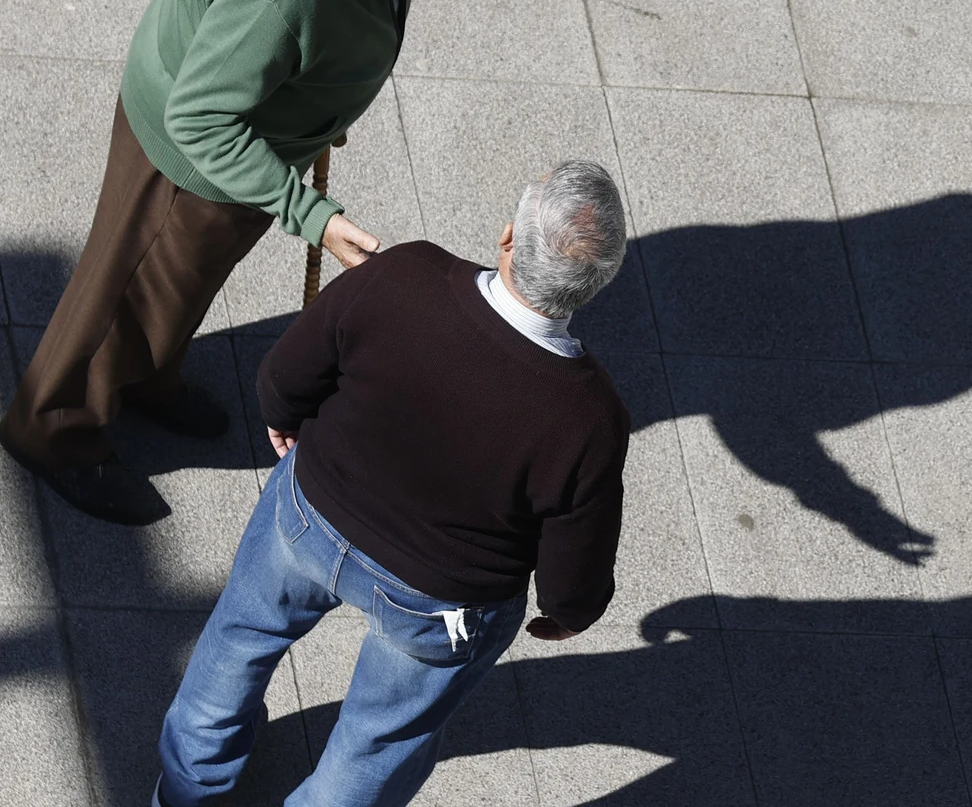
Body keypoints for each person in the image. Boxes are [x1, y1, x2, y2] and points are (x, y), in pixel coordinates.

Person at [0, 0, 510, 525]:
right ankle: (51, 426)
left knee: (176, 288)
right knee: (124, 286)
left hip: (254, 117)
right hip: (191, 156)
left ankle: (146, 374)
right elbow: (200, 118)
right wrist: (311, 215)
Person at [152, 161, 631, 807]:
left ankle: (187, 788)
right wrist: (568, 613)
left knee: (239, 640)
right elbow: (577, 548)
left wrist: (285, 418)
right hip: (439, 598)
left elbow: (286, 374)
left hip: (310, 513)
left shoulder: (408, 273)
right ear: (595, 285)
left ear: (508, 236)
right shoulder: (590, 415)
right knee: (377, 745)